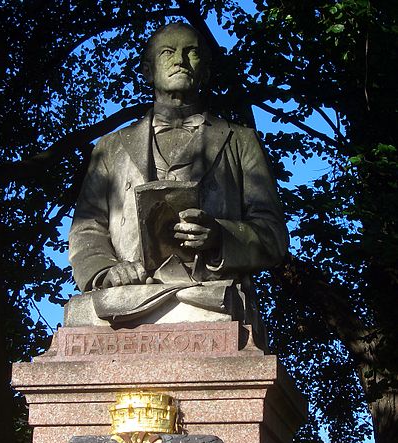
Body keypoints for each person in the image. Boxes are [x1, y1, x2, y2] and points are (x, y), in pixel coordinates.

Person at [68, 22, 288, 328]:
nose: (179, 61)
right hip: (126, 294)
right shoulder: (110, 148)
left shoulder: (240, 141)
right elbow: (86, 229)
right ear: (147, 70)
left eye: (191, 53)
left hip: (208, 293)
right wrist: (105, 270)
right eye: (167, 53)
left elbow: (273, 234)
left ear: (206, 71)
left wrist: (220, 237)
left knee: (215, 312)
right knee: (82, 315)